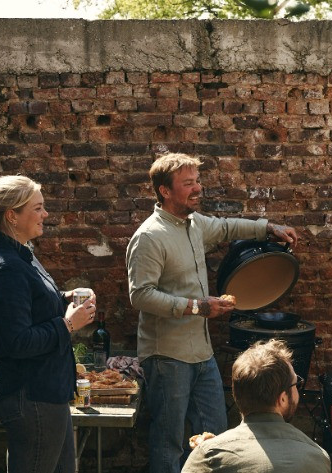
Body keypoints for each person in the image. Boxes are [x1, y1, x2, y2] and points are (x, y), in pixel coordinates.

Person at [126, 153, 300, 473]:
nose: (198, 189)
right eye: (188, 183)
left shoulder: (194, 225)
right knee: (169, 442)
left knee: (217, 436)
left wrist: (269, 228)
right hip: (167, 356)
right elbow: (140, 296)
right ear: (164, 191)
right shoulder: (149, 236)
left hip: (201, 352)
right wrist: (197, 306)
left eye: (198, 181)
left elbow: (226, 228)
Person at [0, 175, 97, 473]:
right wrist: (68, 325)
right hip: (30, 397)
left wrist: (67, 297)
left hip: (48, 392)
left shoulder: (21, 255)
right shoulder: (6, 268)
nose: (46, 214)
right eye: (37, 208)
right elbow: (18, 341)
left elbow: (33, 302)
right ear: (12, 216)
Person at [181, 339, 331, 473]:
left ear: (237, 394)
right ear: (283, 399)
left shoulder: (208, 456)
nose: (297, 389)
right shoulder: (317, 457)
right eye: (296, 384)